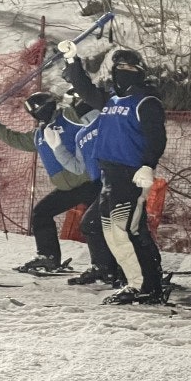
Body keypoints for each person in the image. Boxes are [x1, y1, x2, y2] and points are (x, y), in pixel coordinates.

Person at [61, 43, 167, 305]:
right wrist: (73, 62)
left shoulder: (146, 101)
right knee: (114, 233)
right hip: (109, 174)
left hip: (132, 174)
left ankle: (147, 286)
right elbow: (85, 89)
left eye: (128, 67)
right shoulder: (110, 99)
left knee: (128, 231)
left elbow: (157, 137)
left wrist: (148, 165)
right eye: (118, 67)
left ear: (139, 71)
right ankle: (135, 282)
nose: (122, 72)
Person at [0, 92, 97, 274]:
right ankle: (48, 258)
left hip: (88, 181)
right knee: (41, 213)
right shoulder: (39, 134)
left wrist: (79, 87)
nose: (39, 113)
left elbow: (89, 104)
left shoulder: (68, 116)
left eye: (41, 108)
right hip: (68, 189)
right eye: (35, 111)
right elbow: (16, 139)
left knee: (98, 223)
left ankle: (106, 266)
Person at [63, 100, 123, 287]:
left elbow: (81, 167)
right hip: (105, 182)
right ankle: (108, 268)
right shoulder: (86, 132)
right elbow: (81, 167)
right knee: (100, 224)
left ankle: (121, 270)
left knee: (109, 225)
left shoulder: (102, 124)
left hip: (116, 178)